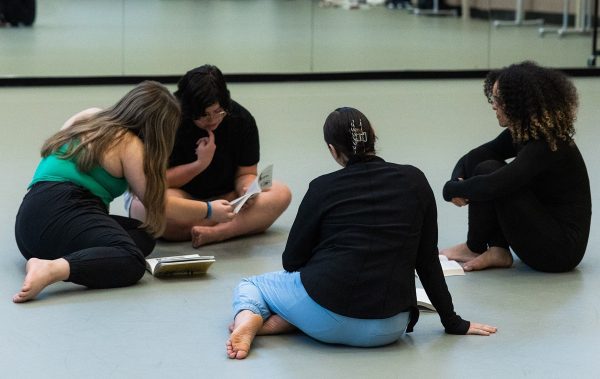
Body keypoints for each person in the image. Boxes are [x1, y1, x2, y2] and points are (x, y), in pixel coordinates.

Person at [226, 107, 496, 359]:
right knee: (323, 305)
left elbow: (291, 261)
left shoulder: (322, 187)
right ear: (373, 137)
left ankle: (252, 319)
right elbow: (427, 260)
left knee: (251, 286)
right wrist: (452, 322)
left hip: (326, 315)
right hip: (390, 328)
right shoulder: (415, 180)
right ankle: (285, 320)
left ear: (332, 150)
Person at [13, 81, 234, 303]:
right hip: (63, 211)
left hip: (29, 221)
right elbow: (159, 205)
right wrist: (209, 210)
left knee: (144, 235)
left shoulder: (90, 116)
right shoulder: (130, 144)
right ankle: (53, 268)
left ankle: (63, 258)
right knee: (132, 260)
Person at [440, 61, 591, 273]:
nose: (493, 105)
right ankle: (493, 249)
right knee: (482, 162)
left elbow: (495, 184)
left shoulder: (546, 144)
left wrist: (451, 190)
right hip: (542, 226)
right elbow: (475, 156)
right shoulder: (526, 130)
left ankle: (477, 248)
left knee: (489, 171)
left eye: (499, 100)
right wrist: (456, 180)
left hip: (560, 251)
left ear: (518, 105)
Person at [130, 65, 291, 248]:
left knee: (281, 193)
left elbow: (246, 172)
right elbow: (153, 182)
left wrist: (245, 189)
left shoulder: (241, 119)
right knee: (144, 208)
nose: (213, 120)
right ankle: (238, 223)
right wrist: (200, 164)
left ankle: (219, 232)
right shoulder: (167, 122)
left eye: (218, 112)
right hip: (182, 196)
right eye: (204, 115)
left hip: (224, 198)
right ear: (187, 108)